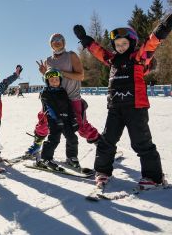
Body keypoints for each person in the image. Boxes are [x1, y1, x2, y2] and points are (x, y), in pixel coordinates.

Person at [73, 14, 172, 188]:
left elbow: (152, 42)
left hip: (136, 107)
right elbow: (97, 50)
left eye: (124, 44)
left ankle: (154, 177)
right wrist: (85, 39)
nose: (120, 47)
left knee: (141, 143)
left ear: (132, 43)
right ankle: (103, 172)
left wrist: (164, 26)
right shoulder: (111, 60)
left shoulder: (139, 58)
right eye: (117, 45)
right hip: (115, 108)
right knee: (106, 141)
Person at [25, 33, 100, 158]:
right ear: (51, 44)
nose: (57, 41)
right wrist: (44, 74)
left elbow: (80, 76)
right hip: (53, 97)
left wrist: (61, 72)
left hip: (72, 96)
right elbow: (49, 80)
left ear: (64, 42)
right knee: (43, 121)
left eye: (60, 39)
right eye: (54, 40)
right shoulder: (48, 60)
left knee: (81, 125)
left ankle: (102, 145)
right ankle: (37, 145)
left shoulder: (71, 55)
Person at [35, 69, 80, 170]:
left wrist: (73, 119)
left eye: (56, 80)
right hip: (54, 120)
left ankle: (71, 157)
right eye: (52, 80)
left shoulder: (62, 91)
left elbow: (69, 106)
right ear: (47, 82)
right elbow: (49, 107)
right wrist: (57, 119)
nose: (54, 82)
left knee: (72, 138)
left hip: (66, 118)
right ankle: (45, 158)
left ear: (60, 80)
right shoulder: (45, 93)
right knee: (54, 139)